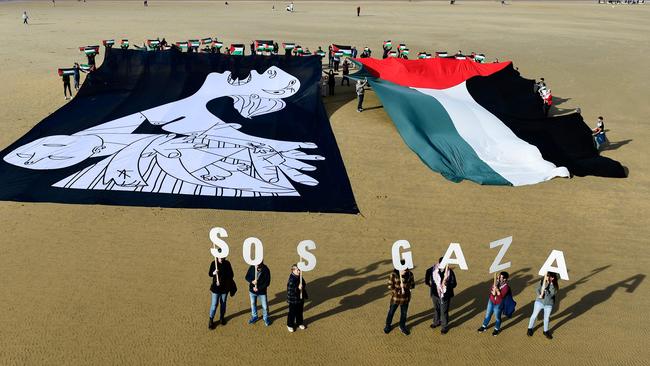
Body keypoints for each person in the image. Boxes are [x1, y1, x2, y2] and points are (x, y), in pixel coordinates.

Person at [424, 257, 457, 334]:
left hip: (445, 295)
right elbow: (427, 272)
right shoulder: (433, 269)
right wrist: (428, 283)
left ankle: (444, 326)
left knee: (444, 311)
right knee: (436, 308)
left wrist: (447, 284)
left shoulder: (450, 272)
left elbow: (454, 284)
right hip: (435, 294)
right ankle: (436, 322)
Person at [384, 261, 415, 335]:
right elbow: (389, 286)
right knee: (391, 312)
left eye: (406, 269)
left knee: (404, 313)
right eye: (404, 269)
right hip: (396, 298)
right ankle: (388, 325)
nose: (405, 270)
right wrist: (398, 289)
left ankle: (402, 326)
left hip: (405, 298)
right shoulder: (393, 275)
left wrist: (405, 286)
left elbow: (413, 285)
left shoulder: (410, 274)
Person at [477, 271, 510, 336]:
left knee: (497, 318)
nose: (499, 278)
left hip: (498, 304)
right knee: (487, 315)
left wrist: (497, 290)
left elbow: (501, 296)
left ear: (505, 279)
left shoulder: (506, 287)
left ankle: (496, 329)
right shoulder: (496, 282)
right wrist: (493, 292)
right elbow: (491, 290)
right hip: (491, 301)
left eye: (501, 277)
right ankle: (484, 326)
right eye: (499, 276)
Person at [527, 272, 558, 339]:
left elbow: (551, 295)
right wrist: (539, 295)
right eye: (548, 276)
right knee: (534, 316)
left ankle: (545, 331)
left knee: (546, 318)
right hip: (539, 302)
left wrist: (547, 290)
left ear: (553, 278)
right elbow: (537, 289)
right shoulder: (541, 281)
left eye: (551, 277)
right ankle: (530, 328)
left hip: (548, 304)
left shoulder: (555, 286)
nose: (549, 278)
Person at [208, 257, 235, 329]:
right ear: (217, 256)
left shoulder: (227, 263)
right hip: (216, 289)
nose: (221, 258)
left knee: (223, 304)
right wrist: (214, 273)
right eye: (220, 257)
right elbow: (210, 274)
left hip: (224, 289)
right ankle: (211, 320)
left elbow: (231, 275)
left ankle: (221, 318)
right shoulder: (214, 263)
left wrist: (222, 280)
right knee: (214, 305)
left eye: (223, 257)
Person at [245, 261, 272, 326]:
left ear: (262, 262)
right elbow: (247, 277)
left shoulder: (266, 269)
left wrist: (259, 288)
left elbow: (267, 282)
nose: (257, 265)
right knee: (253, 304)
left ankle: (265, 318)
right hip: (252, 291)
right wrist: (252, 281)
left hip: (262, 292)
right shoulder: (252, 267)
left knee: (265, 306)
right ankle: (255, 316)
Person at [286, 264, 308, 332]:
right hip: (293, 299)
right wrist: (298, 288)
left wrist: (302, 286)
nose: (299, 271)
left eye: (300, 269)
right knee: (292, 313)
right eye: (297, 270)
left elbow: (304, 283)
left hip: (300, 298)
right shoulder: (291, 279)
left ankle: (299, 323)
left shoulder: (300, 276)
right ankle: (289, 325)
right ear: (293, 270)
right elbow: (291, 291)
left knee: (300, 312)